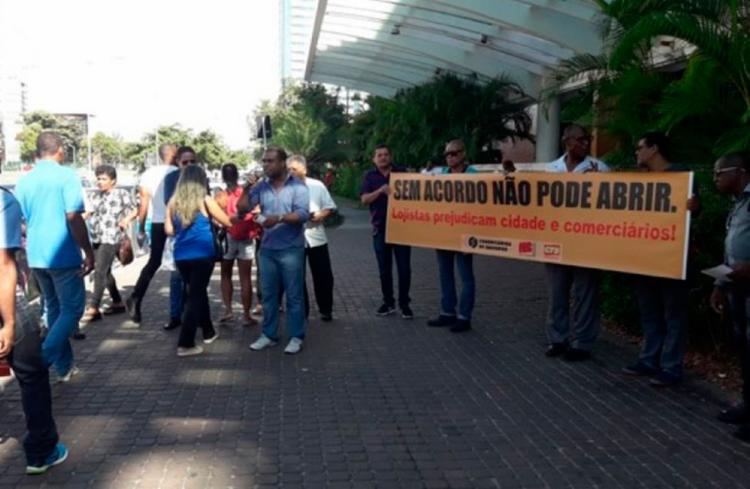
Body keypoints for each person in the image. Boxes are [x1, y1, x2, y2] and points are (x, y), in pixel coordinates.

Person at [15, 132, 94, 382]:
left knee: (53, 309)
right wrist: (88, 251)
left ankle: (65, 367)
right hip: (63, 255)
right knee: (72, 310)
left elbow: (22, 222)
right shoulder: (66, 176)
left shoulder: (24, 181)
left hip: (36, 255)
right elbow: (73, 216)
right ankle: (43, 358)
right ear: (59, 149)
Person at [622, 132, 700, 387]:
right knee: (649, 313)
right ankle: (649, 360)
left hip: (671, 260)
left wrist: (694, 206)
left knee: (673, 315)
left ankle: (670, 366)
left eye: (640, 148)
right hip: (644, 261)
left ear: (654, 149)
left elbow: (693, 213)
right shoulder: (641, 180)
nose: (637, 152)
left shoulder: (681, 177)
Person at [0, 186, 68, 475]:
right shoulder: (4, 200)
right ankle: (41, 451)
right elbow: (3, 265)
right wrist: (9, 322)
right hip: (8, 305)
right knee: (32, 374)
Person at [544, 124, 610, 361]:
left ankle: (582, 342)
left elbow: (611, 207)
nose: (586, 143)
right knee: (557, 293)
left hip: (587, 242)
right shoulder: (551, 169)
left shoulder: (600, 168)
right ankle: (557, 339)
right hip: (556, 241)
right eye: (581, 139)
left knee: (585, 294)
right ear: (568, 141)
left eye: (587, 139)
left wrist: (596, 183)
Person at [239, 147, 310, 354]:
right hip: (268, 249)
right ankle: (269, 334)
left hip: (291, 249)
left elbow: (303, 214)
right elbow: (242, 208)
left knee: (294, 295)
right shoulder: (261, 187)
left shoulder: (298, 186)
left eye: (270, 161)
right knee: (269, 296)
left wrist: (277, 218)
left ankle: (296, 336)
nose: (265, 165)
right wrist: (245, 188)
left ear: (282, 163)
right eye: (264, 161)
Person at [165, 165, 233, 357]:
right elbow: (226, 221)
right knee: (194, 297)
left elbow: (169, 231)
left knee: (196, 291)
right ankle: (185, 343)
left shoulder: (173, 202)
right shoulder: (205, 200)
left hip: (181, 256)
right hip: (203, 254)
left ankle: (208, 331)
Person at [710, 151, 750, 442]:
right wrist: (719, 285)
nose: (715, 178)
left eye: (719, 172)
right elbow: (731, 249)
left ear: (740, 172)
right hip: (736, 287)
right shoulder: (738, 204)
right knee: (744, 349)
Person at [427, 140, 477, 333]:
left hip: (465, 234)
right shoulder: (440, 175)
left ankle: (464, 317)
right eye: (447, 154)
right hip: (444, 233)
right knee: (445, 275)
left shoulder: (473, 176)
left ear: (463, 154)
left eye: (454, 153)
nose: (450, 157)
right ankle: (448, 312)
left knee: (466, 277)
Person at [125, 143, 178, 323]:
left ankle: (136, 297)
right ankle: (179, 309)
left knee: (153, 262)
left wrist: (140, 228)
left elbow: (143, 204)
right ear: (173, 154)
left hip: (157, 222)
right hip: (176, 222)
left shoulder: (148, 174)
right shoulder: (178, 172)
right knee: (183, 263)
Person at [360, 144, 413, 318]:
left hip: (403, 229)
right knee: (384, 270)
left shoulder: (402, 173)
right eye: (379, 155)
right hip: (380, 229)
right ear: (374, 159)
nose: (383, 157)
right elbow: (364, 199)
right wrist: (380, 191)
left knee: (404, 269)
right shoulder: (369, 176)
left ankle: (405, 304)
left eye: (386, 154)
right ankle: (388, 302)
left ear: (390, 156)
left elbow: (416, 194)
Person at [80, 165, 137, 325]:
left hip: (112, 237)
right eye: (98, 178)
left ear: (113, 180)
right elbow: (88, 212)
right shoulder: (96, 196)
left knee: (99, 271)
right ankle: (117, 302)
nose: (100, 182)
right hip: (97, 236)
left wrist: (126, 220)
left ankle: (94, 307)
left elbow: (135, 210)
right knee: (105, 272)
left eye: (104, 179)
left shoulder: (121, 194)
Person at [287, 155, 337, 321]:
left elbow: (329, 207)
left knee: (323, 276)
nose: (291, 172)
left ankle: (326, 309)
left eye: (294, 169)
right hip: (293, 240)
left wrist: (320, 215)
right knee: (297, 278)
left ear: (304, 169)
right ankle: (303, 312)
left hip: (316, 237)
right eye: (288, 169)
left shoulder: (317, 185)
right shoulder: (283, 188)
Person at [216, 163, 261, 327]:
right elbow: (255, 211)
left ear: (223, 176)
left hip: (228, 237)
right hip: (246, 238)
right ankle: (246, 315)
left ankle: (228, 311)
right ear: (237, 175)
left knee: (225, 275)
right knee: (245, 278)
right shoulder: (245, 192)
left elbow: (216, 218)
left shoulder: (220, 195)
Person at [161, 146, 197, 331]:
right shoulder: (171, 179)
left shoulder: (201, 178)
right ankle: (175, 315)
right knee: (176, 278)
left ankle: (195, 314)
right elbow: (170, 204)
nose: (189, 165)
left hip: (197, 236)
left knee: (196, 281)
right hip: (178, 234)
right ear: (178, 163)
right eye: (185, 162)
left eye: (193, 162)